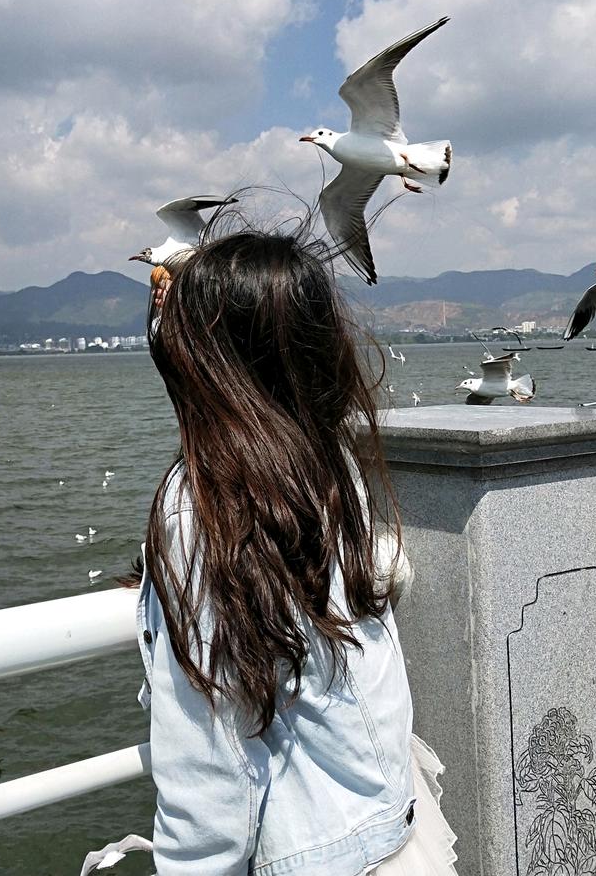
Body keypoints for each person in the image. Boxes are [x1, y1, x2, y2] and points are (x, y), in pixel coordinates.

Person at [130, 225, 457, 875]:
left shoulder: (204, 506)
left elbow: (210, 765)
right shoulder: (325, 459)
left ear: (201, 362)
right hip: (387, 826)